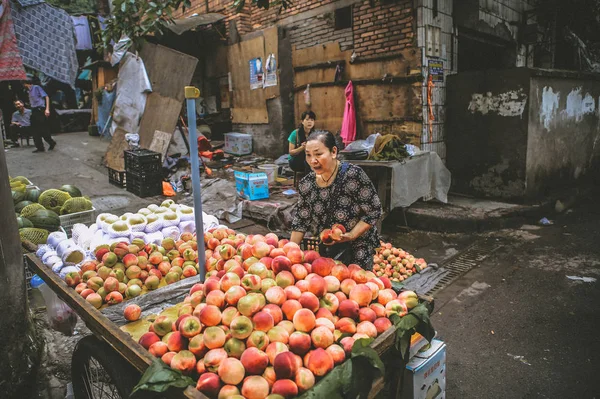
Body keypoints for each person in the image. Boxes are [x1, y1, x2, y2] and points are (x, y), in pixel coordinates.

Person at [290, 130, 382, 270]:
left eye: (318, 154)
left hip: (357, 248)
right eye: (308, 155)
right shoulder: (306, 184)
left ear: (333, 152)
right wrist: (289, 253)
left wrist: (351, 235)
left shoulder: (353, 175)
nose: (312, 160)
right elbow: (301, 221)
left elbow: (374, 210)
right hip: (327, 251)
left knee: (354, 286)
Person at [24, 76, 56, 153]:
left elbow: (46, 97)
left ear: (26, 84)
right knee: (34, 129)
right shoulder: (28, 92)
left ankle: (51, 142)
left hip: (40, 109)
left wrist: (47, 109)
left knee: (43, 128)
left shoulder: (36, 87)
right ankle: (40, 147)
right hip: (34, 110)